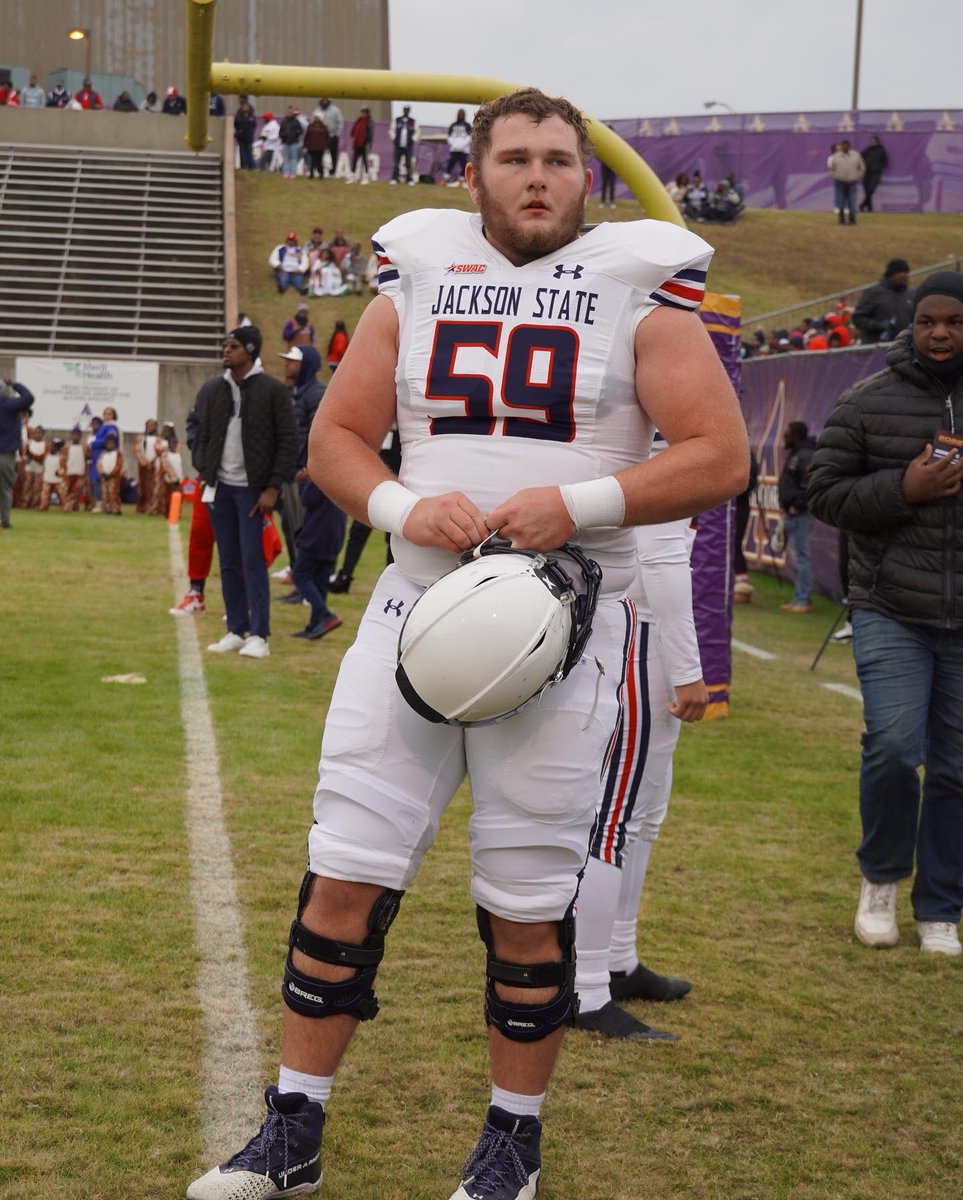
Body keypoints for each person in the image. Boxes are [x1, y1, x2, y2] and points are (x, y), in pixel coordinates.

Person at [186, 86, 748, 1200]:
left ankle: (511, 1146)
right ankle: (292, 1131)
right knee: (343, 875)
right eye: (516, 159)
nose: (538, 176)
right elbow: (337, 436)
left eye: (557, 159)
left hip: (566, 622)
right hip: (416, 606)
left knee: (529, 900)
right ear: (473, 175)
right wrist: (400, 509)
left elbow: (720, 453)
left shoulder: (642, 293)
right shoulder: (422, 277)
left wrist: (579, 503)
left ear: (585, 177)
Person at [808, 271, 963, 958]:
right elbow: (823, 493)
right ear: (911, 323)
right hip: (890, 607)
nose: (938, 333)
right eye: (927, 321)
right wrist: (904, 486)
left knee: (957, 769)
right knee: (896, 749)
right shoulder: (868, 399)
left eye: (953, 322)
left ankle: (940, 908)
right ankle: (879, 880)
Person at [574, 509, 706, 1041]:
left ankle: (618, 959)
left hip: (642, 632)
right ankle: (586, 986)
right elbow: (661, 557)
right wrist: (689, 668)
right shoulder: (658, 439)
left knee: (645, 812)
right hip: (640, 632)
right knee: (615, 816)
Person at [197, 326, 297, 660]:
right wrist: (203, 466)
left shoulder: (272, 390)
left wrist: (272, 487)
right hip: (221, 489)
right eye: (225, 345)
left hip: (253, 491)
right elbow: (202, 431)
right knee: (227, 561)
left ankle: (260, 635)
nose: (227, 350)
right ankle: (236, 630)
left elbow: (288, 441)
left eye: (234, 346)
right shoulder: (216, 388)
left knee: (253, 562)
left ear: (250, 351)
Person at [778, 420, 816, 612]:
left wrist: (797, 505)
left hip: (800, 514)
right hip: (792, 513)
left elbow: (809, 485)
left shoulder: (806, 455)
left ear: (797, 435)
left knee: (802, 556)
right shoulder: (796, 453)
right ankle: (799, 597)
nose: (784, 436)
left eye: (788, 432)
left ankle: (804, 600)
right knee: (797, 556)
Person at [853, 258, 914, 345]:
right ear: (894, 274)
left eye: (907, 273)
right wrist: (879, 325)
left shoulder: (911, 294)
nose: (907, 276)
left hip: (903, 348)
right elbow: (858, 318)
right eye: (903, 273)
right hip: (876, 348)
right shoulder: (873, 293)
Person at [1, 379, 33, 528]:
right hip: (6, 454)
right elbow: (29, 397)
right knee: (5, 489)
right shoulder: (10, 404)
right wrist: (15, 384)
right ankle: (5, 521)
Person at [828, 140, 864, 226]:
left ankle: (852, 219)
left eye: (846, 145)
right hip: (840, 181)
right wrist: (835, 176)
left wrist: (857, 176)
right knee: (841, 201)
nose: (845, 147)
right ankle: (841, 219)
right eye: (843, 146)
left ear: (849, 146)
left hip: (852, 181)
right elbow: (831, 168)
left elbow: (862, 168)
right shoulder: (836, 157)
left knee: (852, 201)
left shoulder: (856, 155)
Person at [312, 99, 344, 177]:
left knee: (334, 154)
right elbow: (312, 122)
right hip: (320, 136)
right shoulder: (317, 110)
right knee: (319, 154)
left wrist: (337, 134)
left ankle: (333, 172)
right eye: (323, 100)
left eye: (325, 100)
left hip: (332, 136)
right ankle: (320, 171)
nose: (324, 102)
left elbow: (340, 122)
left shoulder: (335, 110)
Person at [859, 135, 889, 213]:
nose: (872, 142)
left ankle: (862, 204)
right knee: (867, 191)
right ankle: (869, 208)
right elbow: (860, 158)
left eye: (874, 141)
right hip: (867, 173)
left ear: (877, 142)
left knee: (871, 190)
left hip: (876, 173)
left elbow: (885, 162)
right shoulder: (867, 150)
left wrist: (878, 167)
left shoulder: (881, 151)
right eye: (871, 141)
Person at [390, 104, 419, 184]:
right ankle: (395, 178)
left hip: (408, 146)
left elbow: (417, 132)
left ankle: (409, 179)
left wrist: (413, 139)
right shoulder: (397, 120)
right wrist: (394, 138)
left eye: (407, 110)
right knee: (396, 163)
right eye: (405, 110)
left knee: (409, 163)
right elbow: (392, 130)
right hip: (398, 145)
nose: (406, 111)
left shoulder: (412, 121)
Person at [444, 108, 472, 186]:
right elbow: (449, 137)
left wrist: (463, 144)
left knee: (464, 166)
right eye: (459, 113)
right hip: (454, 149)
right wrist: (453, 144)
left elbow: (470, 137)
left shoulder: (467, 125)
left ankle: (461, 182)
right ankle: (445, 180)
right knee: (450, 164)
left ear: (464, 115)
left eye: (462, 114)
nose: (461, 115)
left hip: (464, 150)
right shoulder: (453, 125)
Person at [346, 107, 373, 184]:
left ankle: (365, 177)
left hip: (365, 144)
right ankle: (353, 176)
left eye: (364, 113)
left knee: (365, 161)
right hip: (357, 144)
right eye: (362, 112)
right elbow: (354, 131)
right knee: (354, 160)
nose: (362, 114)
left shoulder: (369, 122)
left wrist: (368, 143)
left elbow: (370, 134)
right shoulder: (358, 121)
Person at [279, 105, 304, 179]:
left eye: (291, 112)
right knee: (286, 158)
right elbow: (280, 132)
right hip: (286, 142)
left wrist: (295, 134)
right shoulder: (284, 122)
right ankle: (286, 172)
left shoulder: (296, 122)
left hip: (294, 143)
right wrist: (283, 136)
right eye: (288, 112)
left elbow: (300, 131)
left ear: (293, 113)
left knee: (294, 158)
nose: (289, 113)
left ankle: (293, 173)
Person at [302, 115, 330, 179]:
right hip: (312, 147)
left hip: (320, 147)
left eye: (318, 117)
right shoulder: (311, 126)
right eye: (315, 117)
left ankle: (321, 173)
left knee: (319, 161)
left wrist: (327, 146)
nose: (316, 119)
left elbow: (327, 137)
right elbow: (307, 136)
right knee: (312, 160)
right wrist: (305, 145)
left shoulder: (324, 127)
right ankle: (311, 173)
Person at [234, 99, 258, 170]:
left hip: (249, 138)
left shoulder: (252, 117)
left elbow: (254, 125)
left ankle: (251, 166)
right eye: (244, 106)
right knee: (242, 153)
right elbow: (236, 124)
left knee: (249, 153)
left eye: (246, 106)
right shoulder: (239, 116)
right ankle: (243, 166)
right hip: (241, 138)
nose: (245, 108)